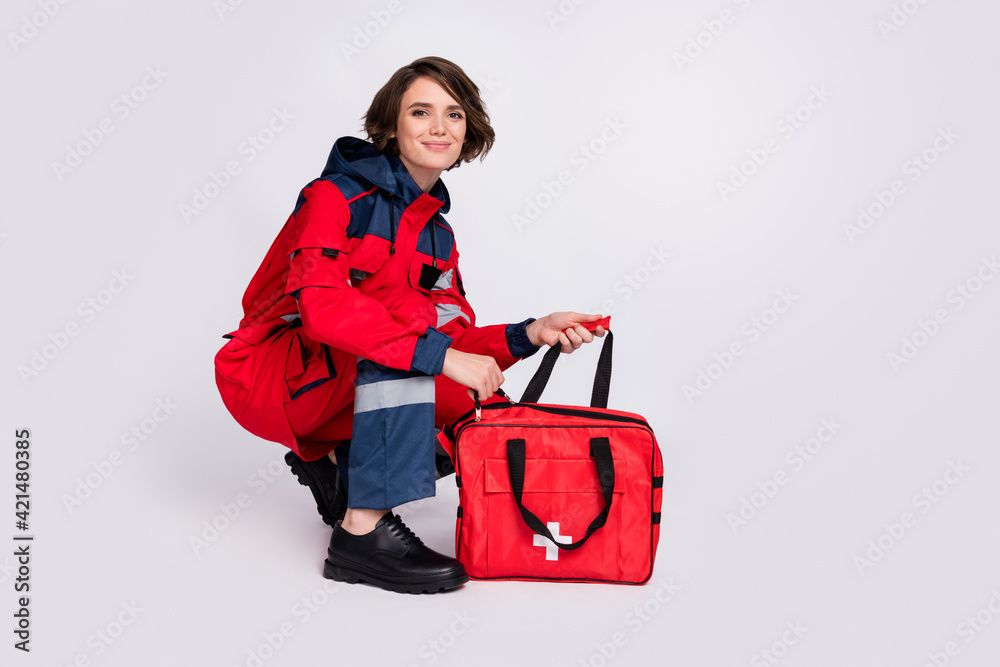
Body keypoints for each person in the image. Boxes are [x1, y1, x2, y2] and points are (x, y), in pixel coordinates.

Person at [214, 56, 605, 594]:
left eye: (454, 114)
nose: (439, 127)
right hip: (266, 373)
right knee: (404, 350)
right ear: (390, 126)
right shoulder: (332, 197)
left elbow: (451, 341)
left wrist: (530, 332)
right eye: (421, 112)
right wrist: (437, 355)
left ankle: (338, 464)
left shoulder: (436, 237)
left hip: (327, 382)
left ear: (470, 131)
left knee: (462, 393)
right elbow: (325, 307)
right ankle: (361, 536)